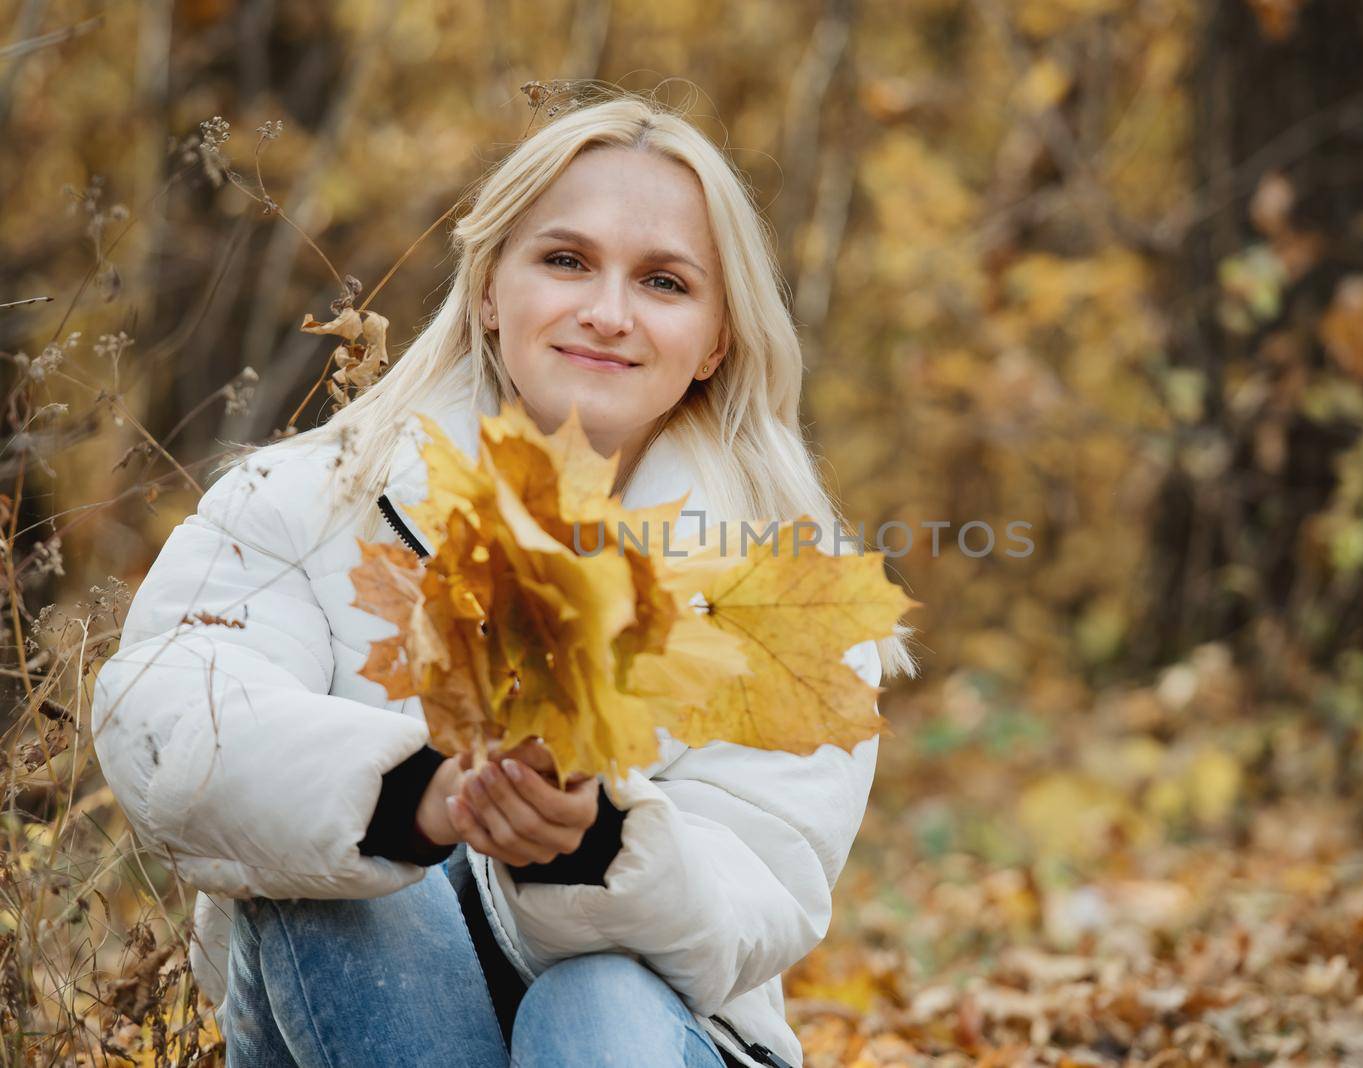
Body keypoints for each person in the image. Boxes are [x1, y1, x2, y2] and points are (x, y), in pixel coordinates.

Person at [89, 91, 917, 1067]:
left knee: (598, 1000)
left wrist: (592, 840)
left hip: (649, 1041)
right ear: (489, 288)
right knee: (333, 894)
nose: (607, 314)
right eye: (565, 261)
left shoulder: (789, 589)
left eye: (664, 282)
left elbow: (757, 892)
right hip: (350, 1014)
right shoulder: (311, 497)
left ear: (719, 340)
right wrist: (417, 794)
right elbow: (173, 714)